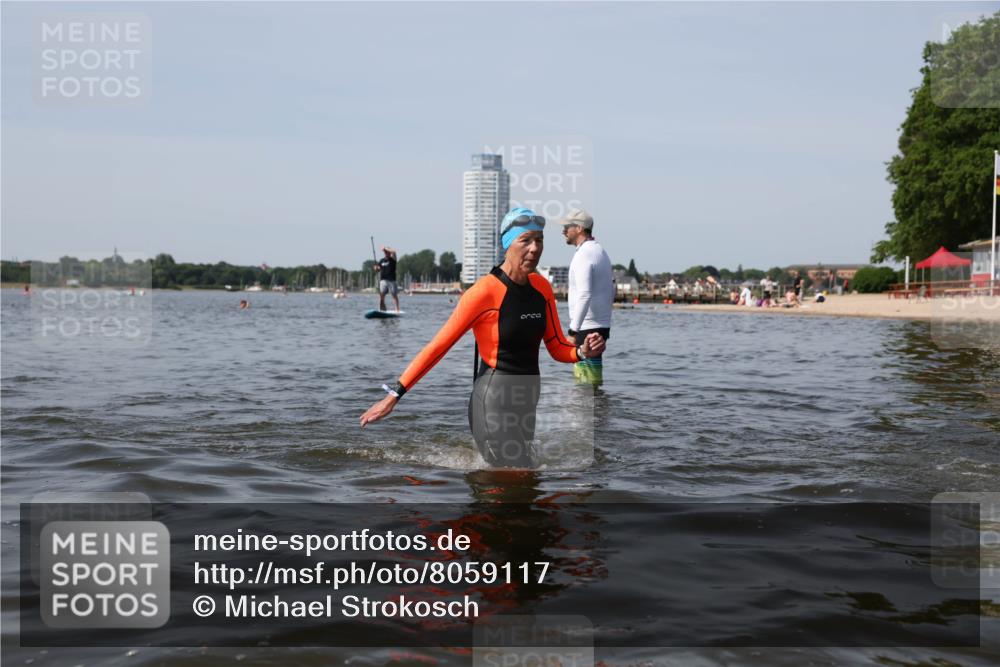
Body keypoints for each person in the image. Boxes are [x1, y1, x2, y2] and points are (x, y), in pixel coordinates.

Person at [359, 208, 605, 468]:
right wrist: (394, 395)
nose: (535, 248)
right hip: (493, 401)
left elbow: (556, 345)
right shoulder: (483, 293)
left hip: (527, 400)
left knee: (526, 480)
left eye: (540, 240)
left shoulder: (542, 288)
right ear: (508, 244)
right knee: (510, 481)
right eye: (526, 240)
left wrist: (581, 352)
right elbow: (439, 347)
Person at [560, 208, 613, 385]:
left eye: (567, 226)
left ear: (579, 228)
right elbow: (611, 290)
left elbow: (584, 294)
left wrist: (573, 332)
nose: (563, 231)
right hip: (599, 324)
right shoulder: (600, 251)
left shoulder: (583, 254)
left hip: (586, 327)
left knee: (584, 382)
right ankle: (598, 410)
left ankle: (588, 411)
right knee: (592, 380)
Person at [374, 246, 400, 312]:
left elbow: (394, 251)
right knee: (382, 294)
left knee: (394, 295)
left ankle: (397, 310)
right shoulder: (381, 260)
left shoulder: (393, 259)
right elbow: (378, 269)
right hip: (383, 280)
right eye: (385, 252)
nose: (386, 253)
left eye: (387, 252)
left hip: (391, 280)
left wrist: (385, 248)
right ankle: (382, 308)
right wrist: (376, 268)